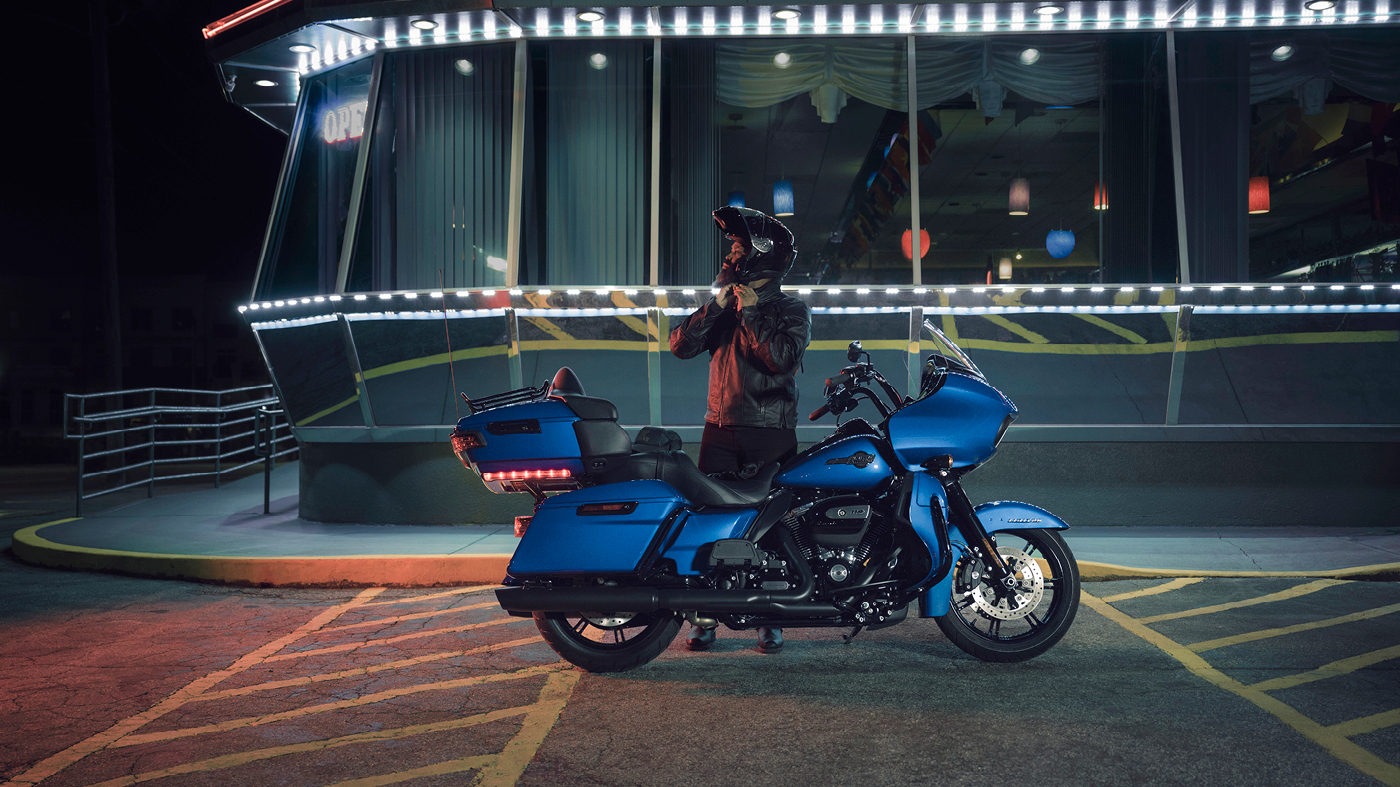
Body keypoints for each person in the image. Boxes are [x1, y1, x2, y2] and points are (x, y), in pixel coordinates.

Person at [669, 206, 811, 654]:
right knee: (709, 525)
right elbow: (679, 346)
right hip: (721, 431)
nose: (730, 254)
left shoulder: (791, 309)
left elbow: (781, 360)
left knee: (772, 530)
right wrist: (716, 308)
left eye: (738, 246)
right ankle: (706, 617)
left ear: (761, 256)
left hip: (770, 434)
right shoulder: (724, 305)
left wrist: (751, 315)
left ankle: (769, 618)